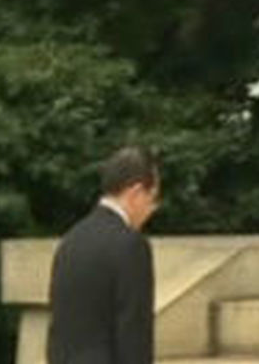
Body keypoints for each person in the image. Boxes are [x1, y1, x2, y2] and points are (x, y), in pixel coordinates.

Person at [47, 146, 161, 364]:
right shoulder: (131, 245)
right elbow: (134, 333)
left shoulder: (71, 240)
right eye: (153, 197)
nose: (153, 208)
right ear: (136, 192)